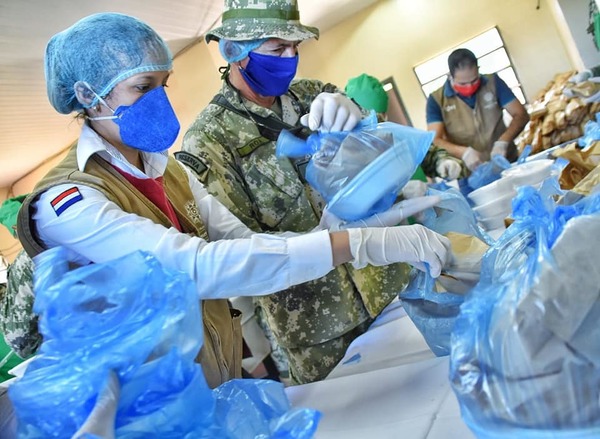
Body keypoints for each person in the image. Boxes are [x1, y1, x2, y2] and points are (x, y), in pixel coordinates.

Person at [14, 11, 449, 397]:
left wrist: (343, 230)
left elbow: (247, 242)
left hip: (210, 380)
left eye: (163, 85)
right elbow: (200, 267)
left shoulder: (168, 172)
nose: (160, 101)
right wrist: (356, 243)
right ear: (89, 96)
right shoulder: (65, 200)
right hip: (142, 404)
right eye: (142, 87)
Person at [178, 0, 443, 385]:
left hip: (387, 284)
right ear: (235, 50)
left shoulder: (313, 95)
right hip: (319, 327)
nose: (290, 58)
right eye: (276, 47)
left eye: (295, 47)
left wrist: (358, 118)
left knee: (432, 392)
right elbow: (241, 252)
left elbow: (382, 152)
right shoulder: (210, 141)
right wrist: (322, 241)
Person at [426, 48, 530, 172]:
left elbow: (521, 115)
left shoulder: (493, 83)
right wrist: (463, 153)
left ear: (478, 69)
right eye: (463, 84)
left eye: (474, 80)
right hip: (470, 171)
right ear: (450, 76)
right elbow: (434, 140)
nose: (470, 87)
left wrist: (504, 141)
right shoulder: (437, 100)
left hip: (506, 161)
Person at [345, 73, 462, 181]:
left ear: (385, 116)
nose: (375, 125)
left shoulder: (398, 135)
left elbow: (427, 152)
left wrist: (442, 162)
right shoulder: (348, 154)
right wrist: (402, 193)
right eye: (366, 120)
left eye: (378, 118)